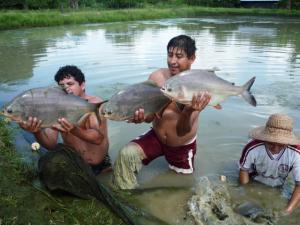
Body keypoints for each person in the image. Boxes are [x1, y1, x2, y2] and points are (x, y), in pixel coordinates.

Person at [112, 35, 211, 189]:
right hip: (156, 137)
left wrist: (190, 109)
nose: (172, 61)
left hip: (181, 145)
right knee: (126, 155)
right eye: (170, 55)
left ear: (192, 58)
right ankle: (126, 195)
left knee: (182, 187)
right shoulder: (156, 78)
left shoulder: (197, 86)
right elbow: (151, 115)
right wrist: (141, 117)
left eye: (179, 56)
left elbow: (182, 131)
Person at [19, 65, 111, 175]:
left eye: (70, 84)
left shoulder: (95, 104)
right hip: (76, 165)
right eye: (62, 85)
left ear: (82, 85)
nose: (66, 88)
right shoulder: (55, 107)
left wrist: (73, 130)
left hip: (102, 165)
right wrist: (37, 131)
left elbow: (98, 139)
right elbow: (50, 144)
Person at [239, 113, 300, 215]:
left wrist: (288, 210)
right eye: (271, 143)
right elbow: (244, 170)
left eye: (280, 145)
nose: (275, 149)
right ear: (265, 138)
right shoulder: (252, 147)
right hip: (254, 181)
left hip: (278, 186)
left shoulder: (296, 153)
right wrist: (246, 192)